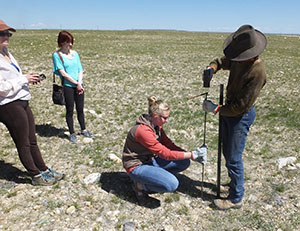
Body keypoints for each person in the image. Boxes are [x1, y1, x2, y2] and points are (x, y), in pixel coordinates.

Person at [202, 25, 267, 210]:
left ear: (250, 54)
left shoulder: (257, 71)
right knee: (226, 151)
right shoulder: (240, 59)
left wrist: (215, 109)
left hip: (240, 116)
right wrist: (211, 68)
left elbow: (241, 106)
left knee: (234, 157)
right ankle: (233, 186)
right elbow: (222, 61)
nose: (236, 59)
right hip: (227, 111)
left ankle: (236, 198)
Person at [0, 19, 65, 186]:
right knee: (23, 142)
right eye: (3, 33)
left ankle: (43, 169)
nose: (7, 36)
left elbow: (14, 79)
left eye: (8, 33)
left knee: (32, 139)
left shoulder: (6, 52)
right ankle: (35, 176)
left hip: (21, 99)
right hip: (8, 105)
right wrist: (23, 79)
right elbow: (1, 88)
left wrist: (27, 80)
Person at [122, 96, 207, 203]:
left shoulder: (157, 126)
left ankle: (152, 177)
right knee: (172, 184)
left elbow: (168, 144)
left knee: (184, 161)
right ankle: (140, 185)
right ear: (155, 116)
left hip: (149, 161)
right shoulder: (143, 131)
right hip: (136, 166)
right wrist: (191, 154)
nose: (167, 121)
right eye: (165, 118)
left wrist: (188, 154)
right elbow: (164, 153)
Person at [52, 30, 93, 143]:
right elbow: (63, 73)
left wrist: (79, 83)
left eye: (71, 42)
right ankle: (72, 133)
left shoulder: (75, 54)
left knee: (80, 109)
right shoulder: (57, 55)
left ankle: (83, 129)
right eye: (68, 42)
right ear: (62, 42)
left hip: (79, 85)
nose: (70, 44)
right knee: (70, 110)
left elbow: (80, 69)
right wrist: (75, 83)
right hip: (68, 86)